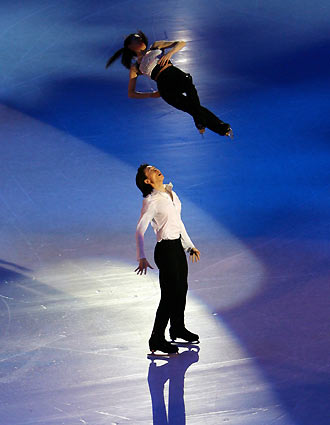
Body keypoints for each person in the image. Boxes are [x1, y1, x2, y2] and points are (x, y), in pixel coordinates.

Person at [106, 31, 233, 138]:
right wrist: (151, 95)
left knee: (189, 85)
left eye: (139, 37)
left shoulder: (155, 46)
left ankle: (200, 121)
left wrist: (169, 53)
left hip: (173, 74)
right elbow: (131, 93)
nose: (139, 39)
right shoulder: (135, 67)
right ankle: (222, 128)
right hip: (163, 85)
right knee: (191, 107)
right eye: (135, 39)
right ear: (129, 46)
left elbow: (181, 43)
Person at [135, 164, 201, 354]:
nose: (156, 170)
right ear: (148, 181)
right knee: (169, 296)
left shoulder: (171, 194)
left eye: (155, 167)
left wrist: (189, 245)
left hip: (177, 248)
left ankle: (177, 328)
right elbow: (140, 229)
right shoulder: (151, 201)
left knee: (182, 290)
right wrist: (142, 256)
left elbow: (178, 222)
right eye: (151, 171)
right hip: (165, 250)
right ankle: (156, 338)